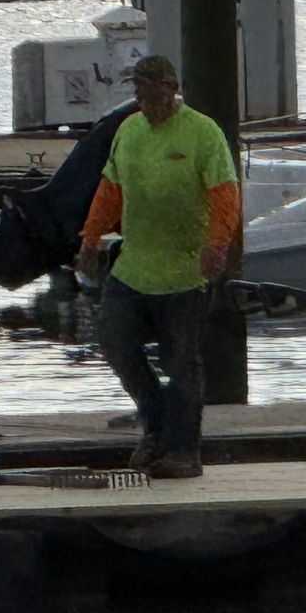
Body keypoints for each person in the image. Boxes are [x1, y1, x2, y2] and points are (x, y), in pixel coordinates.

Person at [77, 54, 240, 479]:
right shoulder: (128, 131)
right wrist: (91, 238)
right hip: (134, 267)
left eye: (153, 91)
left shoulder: (203, 133)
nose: (146, 101)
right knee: (114, 342)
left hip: (185, 272)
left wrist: (216, 245)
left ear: (172, 88)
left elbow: (224, 195)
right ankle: (156, 424)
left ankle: (183, 451)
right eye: (139, 92)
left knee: (182, 362)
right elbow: (110, 189)